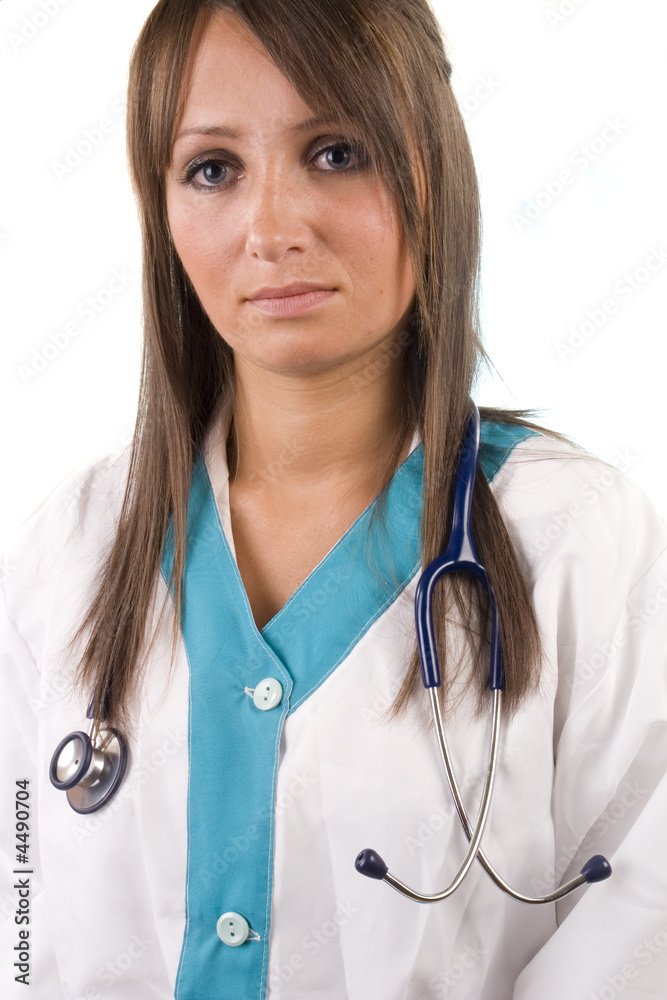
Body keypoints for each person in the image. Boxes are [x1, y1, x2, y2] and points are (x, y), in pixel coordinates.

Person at [1, 1, 666, 998]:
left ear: (430, 173)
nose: (272, 227)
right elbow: (19, 917)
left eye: (337, 152)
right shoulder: (75, 546)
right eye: (212, 168)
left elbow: (640, 920)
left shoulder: (573, 538)